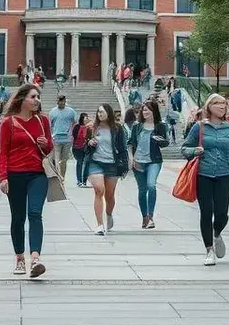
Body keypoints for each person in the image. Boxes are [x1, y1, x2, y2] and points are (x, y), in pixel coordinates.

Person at [0, 83, 53, 278]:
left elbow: (49, 149)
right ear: (22, 99)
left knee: (35, 213)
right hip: (15, 174)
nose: (37, 100)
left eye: (38, 97)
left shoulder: (42, 121)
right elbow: (3, 151)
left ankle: (36, 259)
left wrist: (46, 145)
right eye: (33, 97)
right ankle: (20, 259)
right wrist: (3, 177)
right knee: (18, 217)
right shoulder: (8, 122)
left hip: (38, 174)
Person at [182, 93, 229, 266]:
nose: (222, 106)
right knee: (206, 212)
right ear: (209, 106)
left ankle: (217, 233)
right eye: (218, 103)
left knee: (222, 214)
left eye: (224, 104)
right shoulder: (199, 127)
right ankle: (209, 250)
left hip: (223, 175)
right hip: (203, 175)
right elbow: (184, 148)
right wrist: (194, 151)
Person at [86, 103, 128, 235]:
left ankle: (109, 214)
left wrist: (125, 165)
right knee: (99, 190)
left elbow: (122, 148)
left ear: (109, 113)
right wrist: (89, 143)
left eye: (102, 112)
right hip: (95, 162)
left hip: (112, 164)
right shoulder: (92, 128)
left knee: (109, 195)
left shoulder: (117, 128)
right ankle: (99, 225)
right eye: (98, 112)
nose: (100, 114)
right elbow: (84, 148)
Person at [128, 98, 170, 229]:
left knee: (151, 185)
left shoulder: (160, 125)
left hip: (154, 160)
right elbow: (130, 143)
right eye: (144, 110)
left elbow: (165, 143)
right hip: (138, 161)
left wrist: (159, 139)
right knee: (142, 190)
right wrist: (131, 158)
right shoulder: (137, 126)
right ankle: (144, 217)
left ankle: (151, 217)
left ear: (154, 111)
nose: (145, 112)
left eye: (148, 110)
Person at [49, 95, 78, 182]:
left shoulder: (70, 112)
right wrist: (51, 135)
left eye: (63, 101)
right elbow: (50, 124)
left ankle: (62, 177)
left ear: (65, 101)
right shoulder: (53, 112)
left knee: (64, 160)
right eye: (59, 101)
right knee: (57, 158)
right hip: (56, 138)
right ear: (57, 101)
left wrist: (71, 132)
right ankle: (58, 176)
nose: (61, 103)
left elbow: (74, 122)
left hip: (67, 139)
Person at [72, 112, 91, 187]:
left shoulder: (89, 128)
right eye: (85, 118)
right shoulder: (77, 126)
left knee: (86, 163)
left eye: (87, 117)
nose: (86, 119)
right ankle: (79, 180)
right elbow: (74, 135)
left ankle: (84, 180)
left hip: (86, 147)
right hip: (77, 147)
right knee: (79, 162)